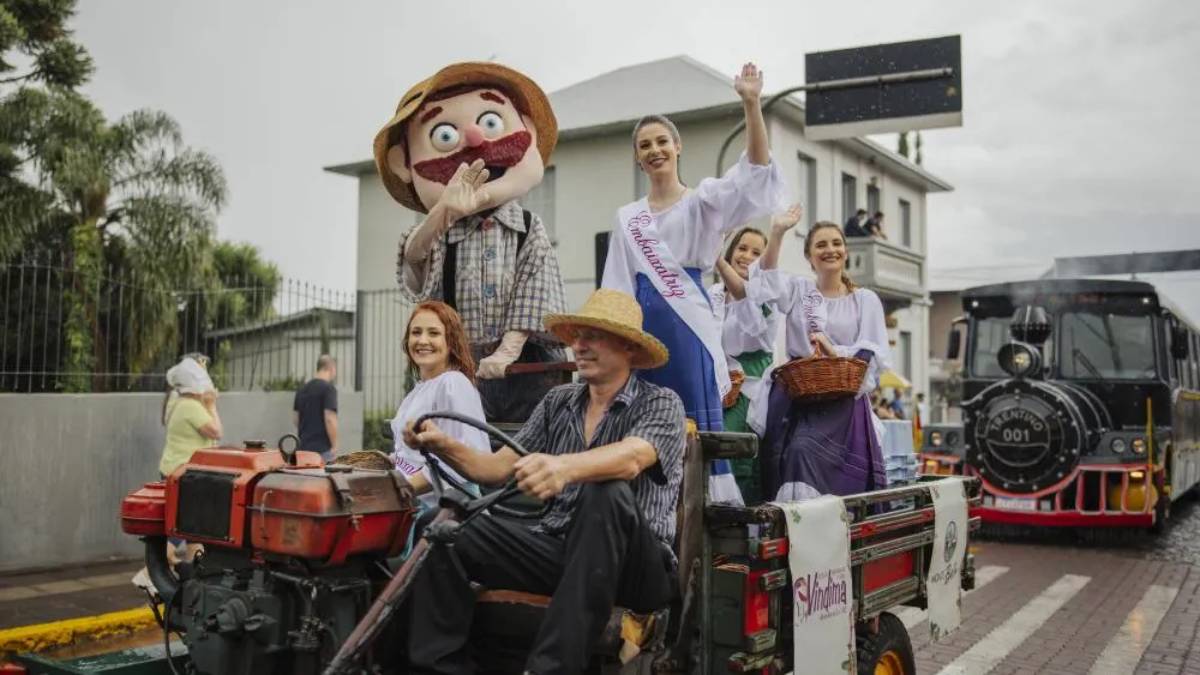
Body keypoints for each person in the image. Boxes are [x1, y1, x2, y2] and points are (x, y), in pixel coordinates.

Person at [402, 289, 684, 674]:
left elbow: (633, 457)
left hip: (636, 569)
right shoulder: (558, 402)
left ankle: (549, 669)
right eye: (576, 337)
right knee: (440, 528)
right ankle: (441, 667)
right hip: (563, 551)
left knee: (606, 490)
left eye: (593, 337)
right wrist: (443, 443)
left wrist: (564, 468)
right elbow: (495, 469)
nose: (579, 347)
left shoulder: (660, 402)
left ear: (629, 349)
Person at [600, 62, 785, 502]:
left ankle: (706, 512)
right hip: (643, 332)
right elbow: (617, 289)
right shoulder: (628, 219)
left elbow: (755, 172)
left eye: (662, 141)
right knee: (645, 421)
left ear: (677, 147)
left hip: (689, 329)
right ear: (637, 156)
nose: (654, 150)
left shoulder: (703, 202)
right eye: (645, 145)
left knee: (695, 426)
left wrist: (751, 103)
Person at [379, 62, 568, 423]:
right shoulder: (439, 234)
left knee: (524, 453)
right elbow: (415, 268)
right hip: (458, 370)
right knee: (456, 450)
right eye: (445, 135)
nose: (474, 139)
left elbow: (534, 291)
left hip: (525, 370)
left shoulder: (528, 228)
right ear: (403, 162)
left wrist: (506, 352)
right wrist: (443, 212)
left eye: (491, 123)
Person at [747, 219, 891, 500]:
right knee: (789, 451)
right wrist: (777, 232)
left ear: (846, 252)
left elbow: (870, 353)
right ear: (809, 256)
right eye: (821, 245)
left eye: (837, 243)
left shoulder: (864, 299)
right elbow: (765, 281)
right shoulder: (800, 290)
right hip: (801, 399)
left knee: (804, 450)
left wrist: (833, 352)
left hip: (844, 403)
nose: (830, 250)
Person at [710, 206, 800, 502]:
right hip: (712, 393)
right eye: (742, 248)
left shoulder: (764, 297)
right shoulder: (711, 294)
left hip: (747, 397)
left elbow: (746, 302)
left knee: (735, 458)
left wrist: (717, 259)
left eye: (756, 252)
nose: (746, 256)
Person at [390, 301, 490, 507]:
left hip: (447, 511)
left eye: (433, 333)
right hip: (416, 504)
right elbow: (410, 457)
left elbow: (462, 459)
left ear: (451, 341)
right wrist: (388, 464)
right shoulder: (420, 389)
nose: (422, 340)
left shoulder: (453, 383)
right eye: (416, 332)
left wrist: (400, 488)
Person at [159, 355, 222, 565]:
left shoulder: (178, 401)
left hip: (176, 471)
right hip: (184, 475)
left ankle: (195, 575)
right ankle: (153, 573)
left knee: (194, 532)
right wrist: (212, 405)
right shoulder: (191, 407)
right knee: (182, 528)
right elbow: (216, 431)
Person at [293, 355, 338, 462]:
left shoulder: (302, 390)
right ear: (330, 368)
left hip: (303, 450)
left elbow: (296, 419)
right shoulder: (328, 389)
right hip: (322, 451)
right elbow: (330, 419)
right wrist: (335, 446)